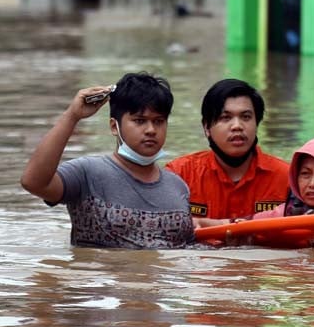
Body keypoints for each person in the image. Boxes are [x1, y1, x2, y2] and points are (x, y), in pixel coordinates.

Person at [20, 72, 194, 249]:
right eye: (139, 121)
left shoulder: (178, 186)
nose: (151, 130)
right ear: (114, 126)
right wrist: (72, 116)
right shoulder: (87, 173)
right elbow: (34, 183)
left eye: (159, 121)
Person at [165, 78, 289, 220]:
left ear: (257, 124)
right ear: (206, 128)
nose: (237, 126)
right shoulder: (179, 175)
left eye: (246, 117)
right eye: (225, 117)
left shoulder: (287, 179)